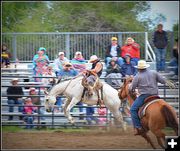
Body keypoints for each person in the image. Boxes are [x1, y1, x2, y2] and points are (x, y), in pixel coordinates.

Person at [129, 60, 167, 135]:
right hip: (155, 95)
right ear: (146, 67)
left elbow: (131, 88)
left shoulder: (138, 76)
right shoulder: (154, 72)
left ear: (139, 68)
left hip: (144, 96)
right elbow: (163, 81)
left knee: (133, 109)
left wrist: (131, 87)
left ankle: (138, 127)